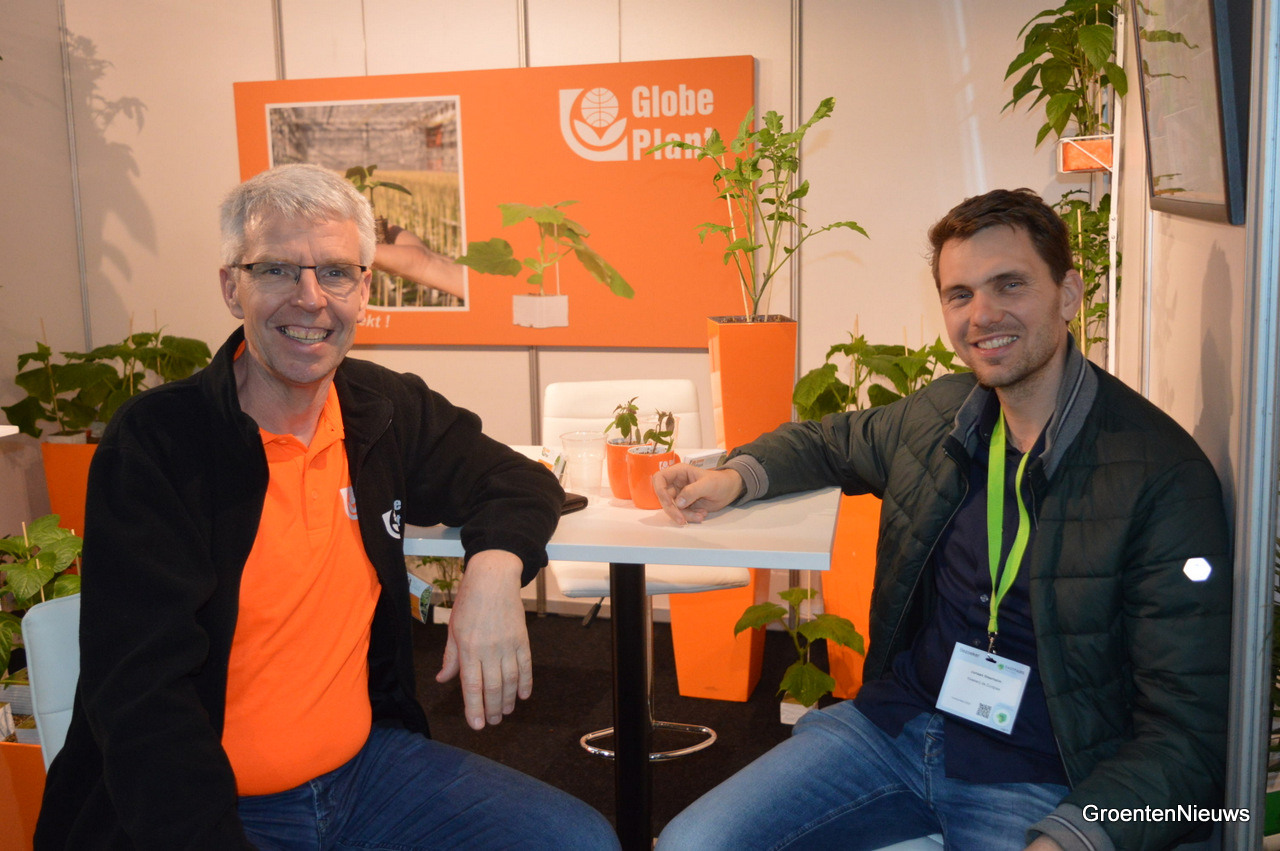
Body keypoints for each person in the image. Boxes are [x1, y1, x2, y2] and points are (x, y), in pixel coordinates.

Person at [35, 163, 619, 850]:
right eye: (277, 270)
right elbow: (141, 700)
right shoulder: (160, 442)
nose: (310, 298)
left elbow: (518, 478)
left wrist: (493, 571)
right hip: (214, 803)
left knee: (577, 840)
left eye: (336, 272)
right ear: (231, 287)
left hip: (363, 774)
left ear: (364, 289)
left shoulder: (381, 407)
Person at [653, 188, 1231, 851]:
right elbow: (828, 442)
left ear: (1068, 294)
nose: (982, 314)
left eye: (1009, 284)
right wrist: (734, 477)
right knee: (691, 843)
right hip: (895, 729)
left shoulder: (1159, 474)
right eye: (960, 294)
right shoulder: (942, 416)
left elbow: (1187, 736)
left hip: (1040, 775)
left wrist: (1074, 836)